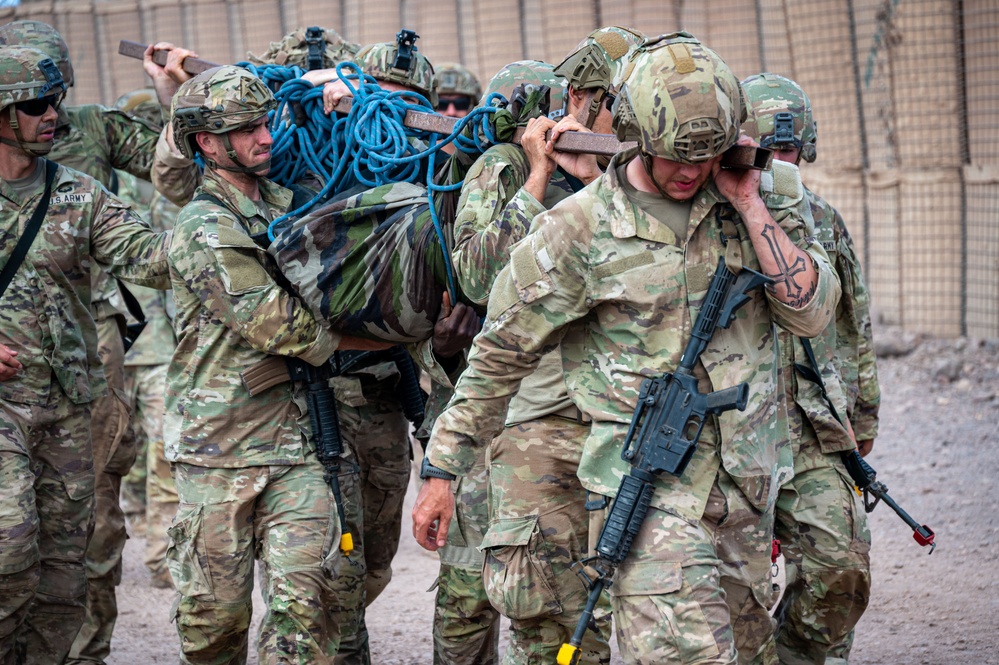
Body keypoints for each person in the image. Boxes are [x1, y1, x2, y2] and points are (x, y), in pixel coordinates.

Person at [413, 31, 840, 665]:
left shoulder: (761, 199)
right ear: (636, 132)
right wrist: (443, 470)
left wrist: (751, 203)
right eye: (673, 157)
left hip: (745, 490)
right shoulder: (578, 228)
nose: (689, 172)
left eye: (705, 156)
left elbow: (812, 312)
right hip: (647, 487)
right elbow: (500, 354)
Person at [428, 29, 645, 664]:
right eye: (614, 104)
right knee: (497, 589)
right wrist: (540, 177)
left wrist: (593, 181)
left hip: (605, 411)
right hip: (519, 411)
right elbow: (476, 276)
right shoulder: (503, 166)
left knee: (597, 592)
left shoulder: (624, 174)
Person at [163, 64, 388, 665]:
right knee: (215, 622)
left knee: (307, 609)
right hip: (220, 450)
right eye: (247, 130)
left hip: (301, 446)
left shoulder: (293, 204)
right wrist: (379, 336)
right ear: (207, 143)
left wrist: (342, 96)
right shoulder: (202, 226)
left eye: (265, 123)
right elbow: (278, 325)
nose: (266, 137)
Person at [0, 19, 195, 664]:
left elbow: (154, 251)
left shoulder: (76, 188)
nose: (52, 115)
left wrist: (229, 232)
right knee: (9, 550)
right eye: (35, 104)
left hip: (71, 390)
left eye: (55, 100)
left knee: (68, 564)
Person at [742, 72, 879, 665]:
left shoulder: (821, 218)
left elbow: (852, 320)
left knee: (840, 568)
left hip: (811, 423)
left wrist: (862, 413)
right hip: (733, 427)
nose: (777, 164)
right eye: (764, 151)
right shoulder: (707, 218)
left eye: (788, 150)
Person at [111, 88, 183, 590]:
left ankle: (160, 555)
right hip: (115, 342)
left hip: (159, 345)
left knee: (165, 448)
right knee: (121, 452)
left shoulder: (172, 182)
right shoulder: (101, 184)